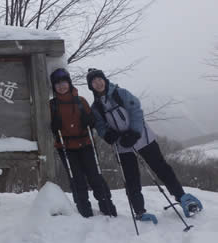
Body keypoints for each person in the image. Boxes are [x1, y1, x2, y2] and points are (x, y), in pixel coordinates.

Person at [86, 68, 203, 222]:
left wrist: (134, 132)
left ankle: (183, 198)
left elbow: (136, 110)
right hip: (122, 146)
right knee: (131, 178)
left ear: (104, 80)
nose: (98, 83)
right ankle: (140, 211)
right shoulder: (96, 107)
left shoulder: (121, 93)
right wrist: (108, 135)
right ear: (91, 86)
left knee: (161, 168)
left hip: (143, 138)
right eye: (94, 82)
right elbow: (100, 126)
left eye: (99, 79)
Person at [49, 68, 117, 218]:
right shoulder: (52, 105)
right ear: (53, 87)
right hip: (66, 147)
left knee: (95, 176)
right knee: (76, 179)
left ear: (69, 83)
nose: (61, 86)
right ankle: (84, 210)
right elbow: (47, 127)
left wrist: (90, 121)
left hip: (86, 144)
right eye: (57, 84)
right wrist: (53, 126)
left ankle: (107, 206)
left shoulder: (81, 101)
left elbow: (93, 120)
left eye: (64, 82)